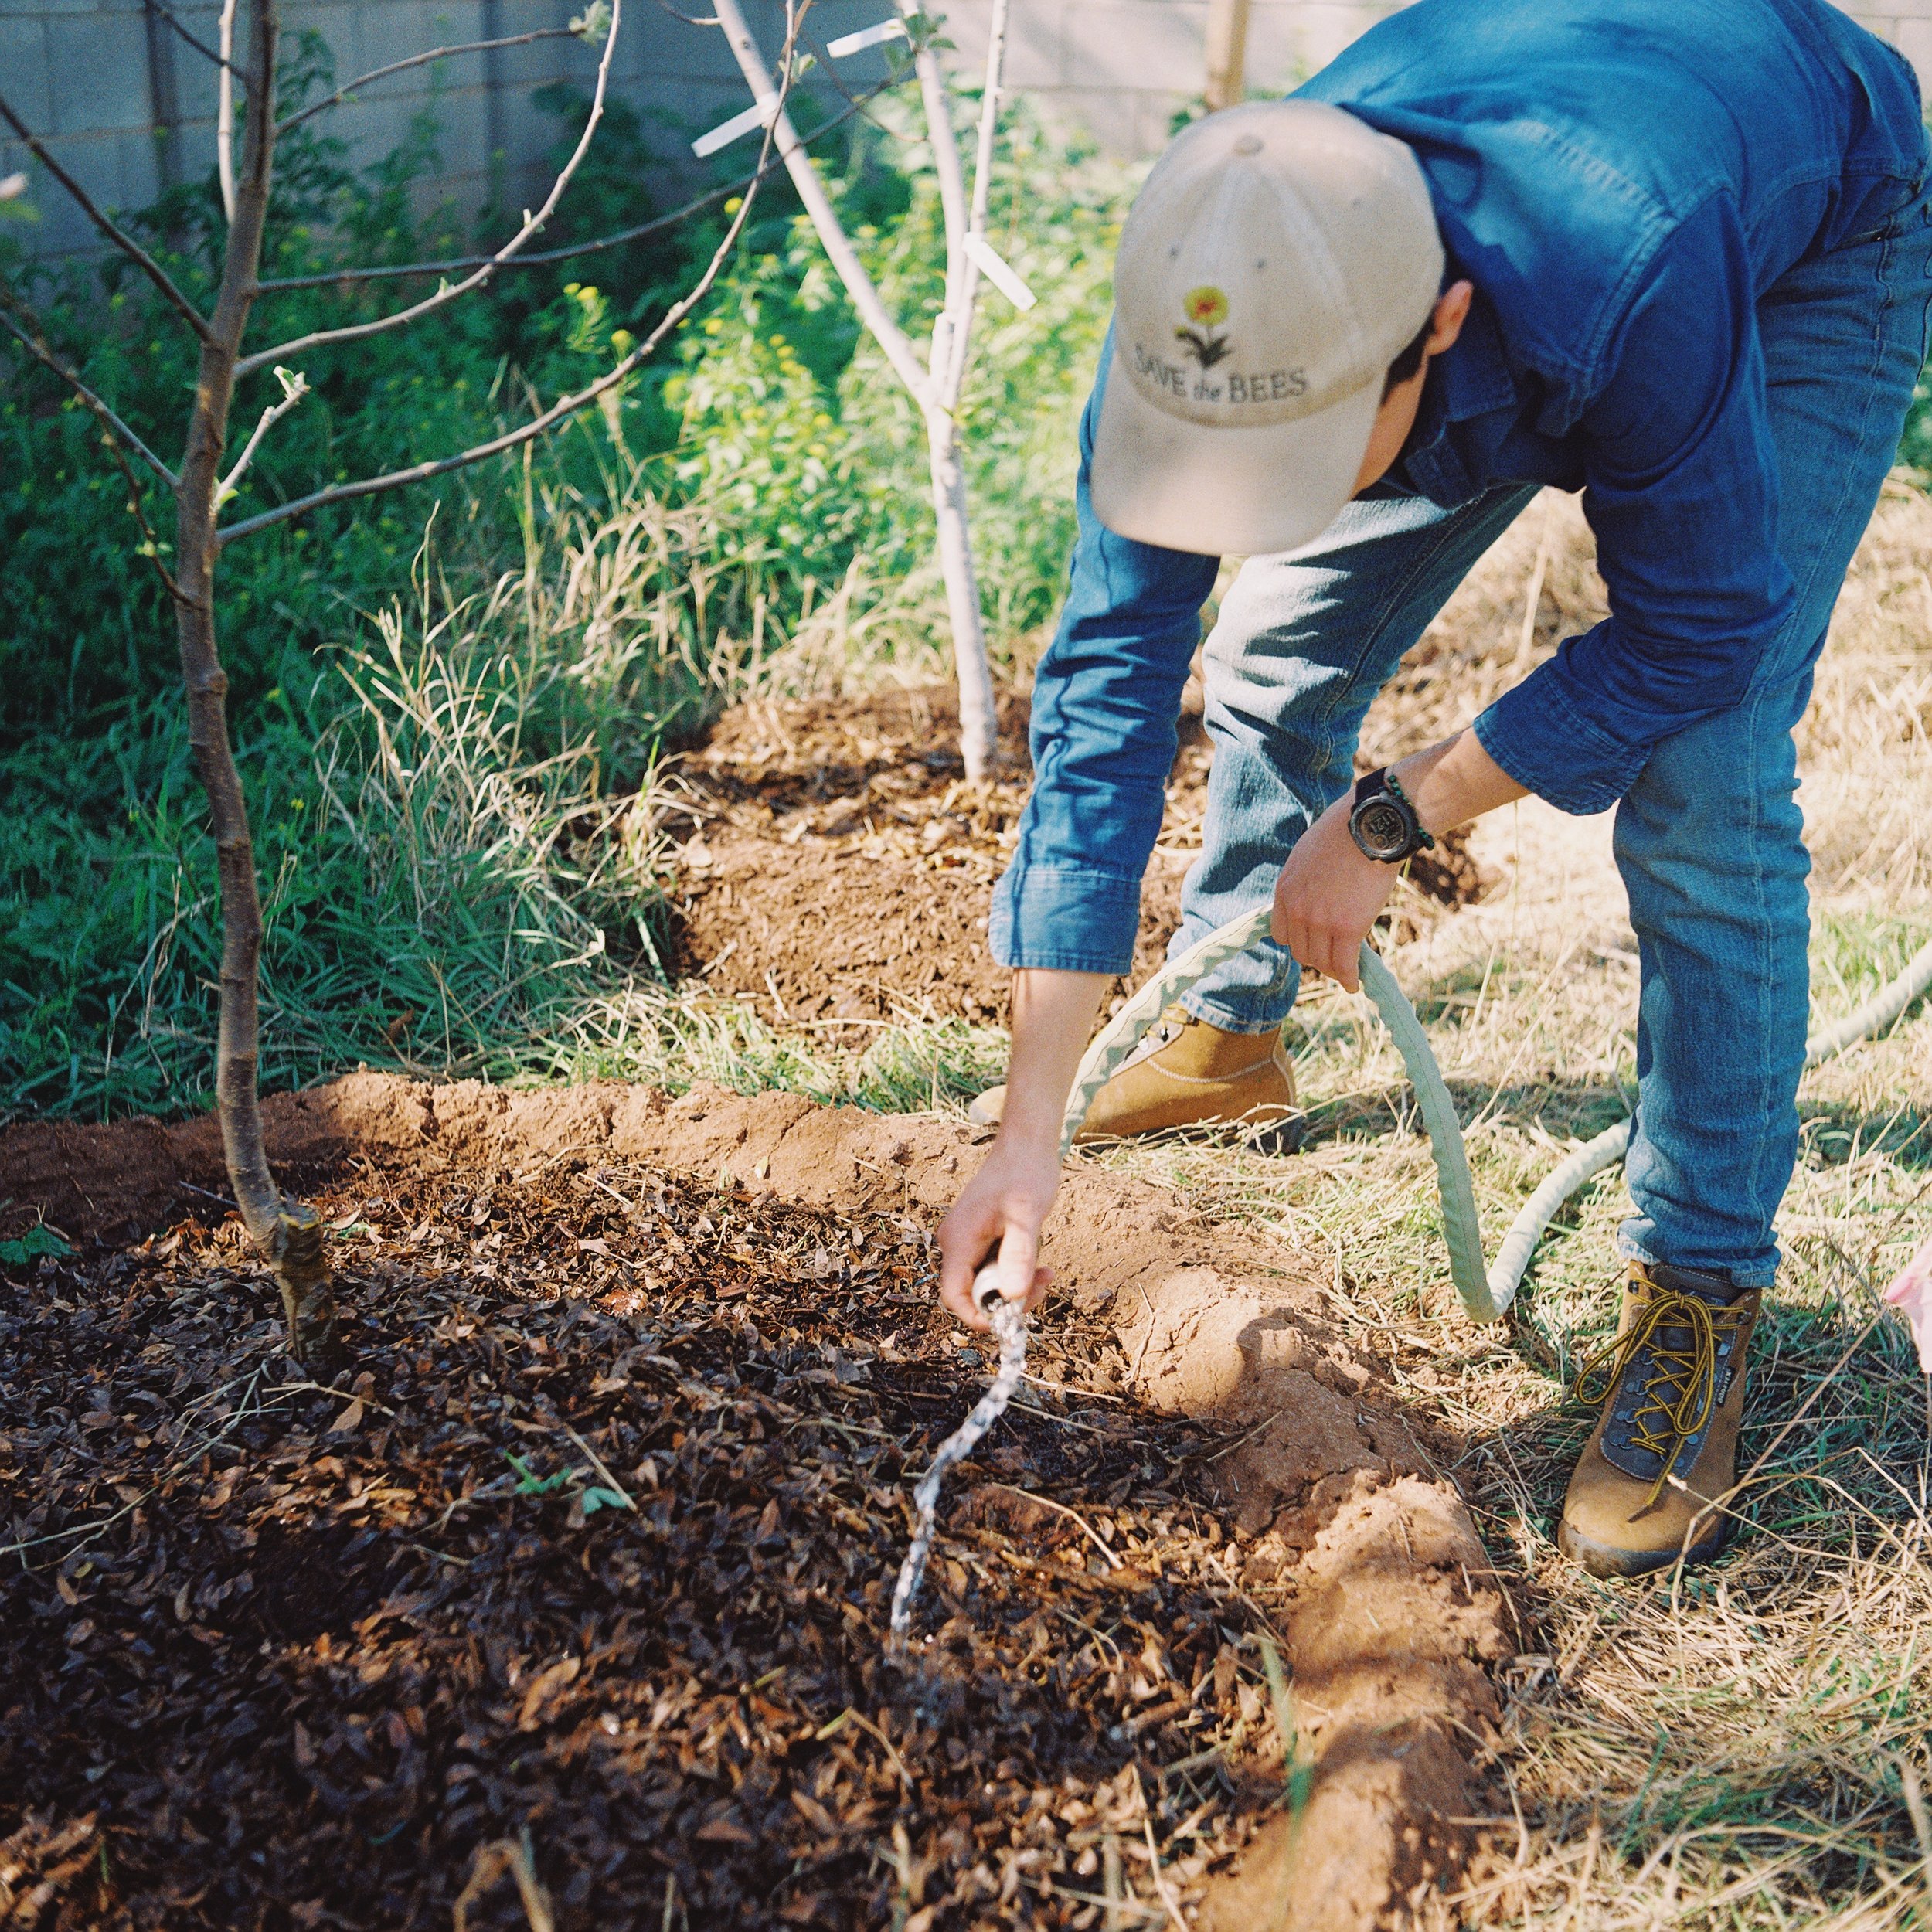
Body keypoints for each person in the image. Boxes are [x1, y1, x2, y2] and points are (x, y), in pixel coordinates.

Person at [936, 0, 1932, 1577]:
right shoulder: (1216, 293)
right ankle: (1227, 1033)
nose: (1264, 509)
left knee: (1700, 780)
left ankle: (1695, 1293)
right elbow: (1108, 688)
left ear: (1441, 330)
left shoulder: (1623, 257)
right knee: (1270, 651)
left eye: (1308, 457)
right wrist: (1026, 1126)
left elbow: (1691, 629)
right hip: (1539, 235)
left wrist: (1392, 812)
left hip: (1802, 220)